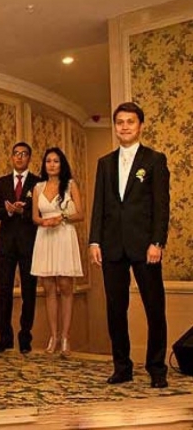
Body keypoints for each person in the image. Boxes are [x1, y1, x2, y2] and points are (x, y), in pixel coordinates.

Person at [89, 102, 170, 389]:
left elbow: (161, 206)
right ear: (115, 126)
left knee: (154, 308)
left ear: (140, 126)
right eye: (120, 122)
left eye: (130, 122)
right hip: (112, 246)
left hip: (145, 247)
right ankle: (122, 367)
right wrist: (94, 240)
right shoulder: (105, 163)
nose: (124, 126)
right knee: (115, 309)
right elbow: (99, 205)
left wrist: (157, 242)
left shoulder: (155, 160)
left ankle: (157, 368)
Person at [30, 147, 84, 356]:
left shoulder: (70, 185)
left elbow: (80, 214)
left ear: (62, 164)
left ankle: (65, 337)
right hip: (45, 236)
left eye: (56, 161)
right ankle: (53, 336)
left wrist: (61, 218)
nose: (51, 165)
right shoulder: (38, 187)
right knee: (49, 287)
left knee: (65, 286)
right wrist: (44, 221)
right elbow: (35, 217)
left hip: (63, 235)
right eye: (48, 161)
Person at [0, 142, 40, 354]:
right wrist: (9, 211)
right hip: (7, 245)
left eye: (24, 154)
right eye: (16, 154)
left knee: (29, 292)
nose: (19, 157)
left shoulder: (37, 182)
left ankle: (25, 337)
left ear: (29, 158)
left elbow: (41, 213)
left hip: (29, 244)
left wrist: (23, 212)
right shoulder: (2, 182)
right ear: (11, 157)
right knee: (4, 292)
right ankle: (5, 338)